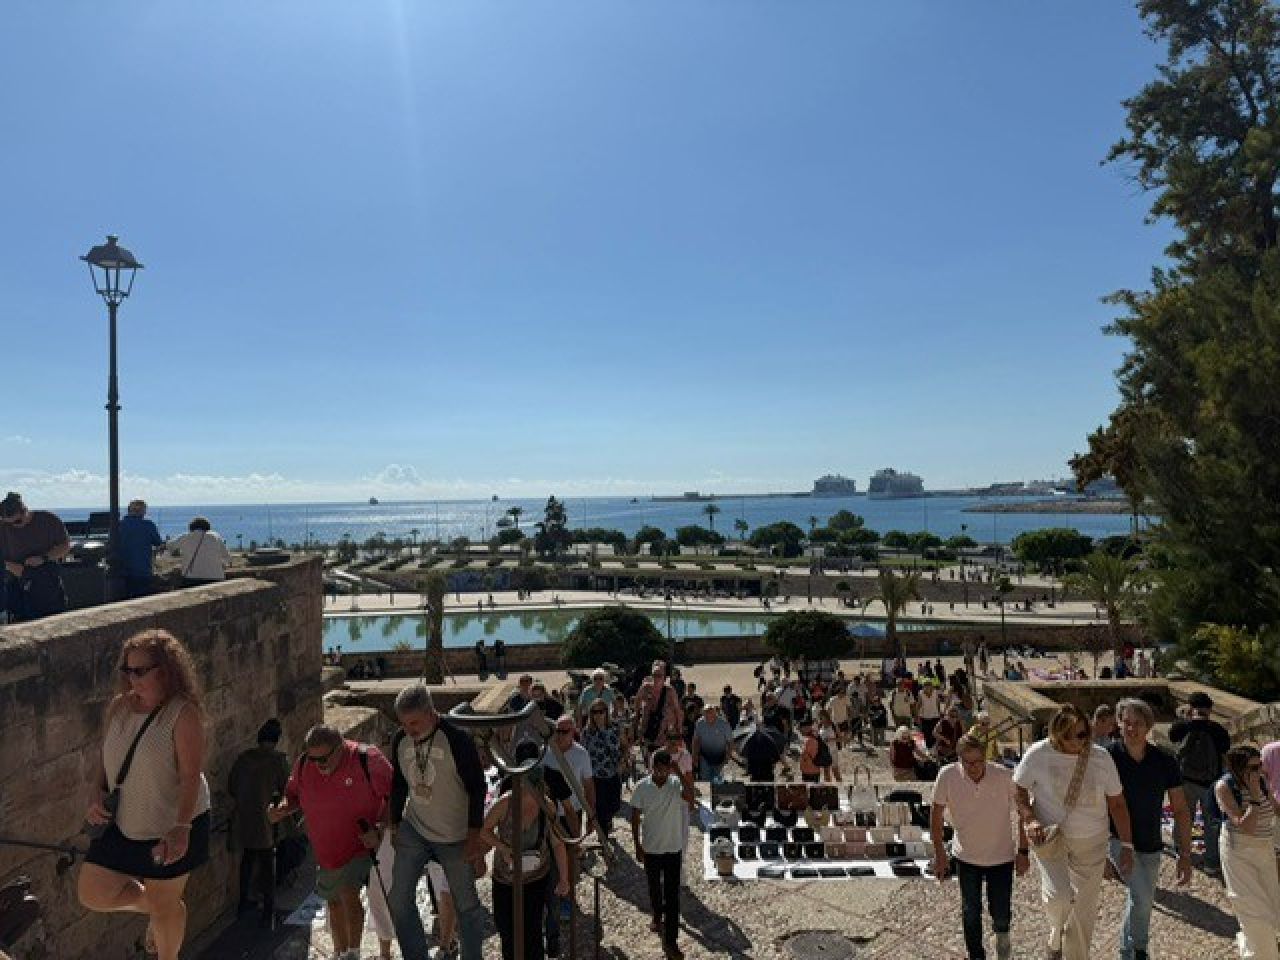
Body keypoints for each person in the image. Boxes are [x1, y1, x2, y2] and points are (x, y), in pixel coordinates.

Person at [77, 629, 212, 960]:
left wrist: (181, 828)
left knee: (165, 910)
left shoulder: (182, 714)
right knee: (92, 893)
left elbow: (190, 774)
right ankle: (155, 904)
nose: (131, 678)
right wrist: (95, 793)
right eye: (126, 670)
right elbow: (105, 761)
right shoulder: (119, 708)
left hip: (172, 823)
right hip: (126, 822)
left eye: (140, 670)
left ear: (165, 670)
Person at [1013, 704, 1134, 960]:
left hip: (1092, 842)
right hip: (1051, 838)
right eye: (1069, 736)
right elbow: (1019, 789)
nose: (1076, 742)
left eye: (1082, 734)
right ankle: (1055, 933)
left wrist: (1126, 845)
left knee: (1083, 913)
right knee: (1059, 898)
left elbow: (1117, 803)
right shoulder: (1038, 753)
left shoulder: (1100, 757)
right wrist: (1030, 819)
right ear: (1056, 735)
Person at [385, 683, 489, 960]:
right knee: (398, 898)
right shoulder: (400, 740)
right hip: (415, 828)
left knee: (466, 904)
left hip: (454, 834)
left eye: (415, 723)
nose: (410, 730)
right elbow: (398, 784)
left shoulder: (457, 740)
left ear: (431, 713)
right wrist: (394, 822)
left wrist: (473, 838)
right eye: (404, 724)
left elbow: (477, 788)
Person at [268, 725, 391, 960]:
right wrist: (283, 808)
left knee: (351, 895)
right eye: (314, 759)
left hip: (363, 846)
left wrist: (381, 828)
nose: (319, 764)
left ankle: (359, 952)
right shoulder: (305, 763)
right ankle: (341, 951)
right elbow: (293, 794)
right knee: (333, 902)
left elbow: (395, 792)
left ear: (341, 747)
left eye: (324, 758)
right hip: (327, 850)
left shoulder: (368, 759)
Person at [931, 734, 1031, 960]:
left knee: (1001, 913)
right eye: (967, 762)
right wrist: (939, 854)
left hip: (1001, 856)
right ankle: (976, 955)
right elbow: (936, 814)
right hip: (966, 856)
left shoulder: (1003, 776)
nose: (973, 767)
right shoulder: (947, 776)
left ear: (985, 758)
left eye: (977, 761)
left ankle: (1002, 940)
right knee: (970, 912)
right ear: (959, 760)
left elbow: (1023, 811)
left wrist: (1023, 851)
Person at [1107, 698, 1192, 960]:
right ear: (1119, 724)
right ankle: (1139, 950)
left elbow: (1180, 809)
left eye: (1138, 724)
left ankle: (1127, 951)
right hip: (1118, 840)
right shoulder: (1109, 757)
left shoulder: (1164, 761)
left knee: (1139, 899)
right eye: (1126, 723)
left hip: (1152, 843)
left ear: (1148, 727)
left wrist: (1185, 854)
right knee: (1143, 897)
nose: (1131, 729)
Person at [482, 759, 571, 960]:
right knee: (507, 932)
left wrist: (564, 878)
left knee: (532, 935)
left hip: (535, 879)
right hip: (506, 880)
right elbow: (484, 830)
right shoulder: (505, 803)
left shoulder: (546, 806)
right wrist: (503, 848)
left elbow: (557, 843)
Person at [1214, 746, 1279, 959]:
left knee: (1273, 910)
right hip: (1239, 854)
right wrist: (1253, 796)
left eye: (1261, 764)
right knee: (1255, 915)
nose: (1261, 770)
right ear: (1240, 768)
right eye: (1254, 766)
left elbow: (1276, 810)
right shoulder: (1224, 787)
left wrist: (1265, 790)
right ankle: (1257, 951)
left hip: (1264, 851)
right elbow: (1247, 826)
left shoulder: (1261, 781)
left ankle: (1247, 943)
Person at [631, 750, 695, 960]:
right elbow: (635, 816)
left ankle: (671, 941)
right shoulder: (642, 787)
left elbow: (691, 798)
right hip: (651, 848)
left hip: (673, 848)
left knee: (672, 896)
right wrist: (637, 846)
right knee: (654, 888)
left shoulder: (676, 784)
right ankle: (657, 915)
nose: (660, 773)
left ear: (669, 768)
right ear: (651, 768)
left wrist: (678, 771)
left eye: (664, 769)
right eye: (656, 769)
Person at [227, 718, 289, 928]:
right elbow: (286, 790)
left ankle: (243, 902)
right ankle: (268, 911)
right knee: (267, 864)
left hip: (243, 818)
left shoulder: (243, 759)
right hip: (265, 819)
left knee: (247, 859)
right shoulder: (277, 761)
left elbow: (232, 786)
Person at [1169, 691, 1231, 873]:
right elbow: (1225, 747)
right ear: (1209, 710)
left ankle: (1181, 850)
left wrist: (1187, 720)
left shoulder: (1183, 726)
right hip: (1209, 783)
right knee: (1211, 822)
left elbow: (1172, 737)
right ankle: (1211, 862)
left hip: (1185, 780)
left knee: (1183, 815)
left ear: (1191, 708)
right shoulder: (1217, 729)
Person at [0, 492, 70, 622]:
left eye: (17, 521)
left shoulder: (48, 520)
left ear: (25, 511)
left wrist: (44, 558)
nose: (13, 526)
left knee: (53, 622)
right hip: (16, 586)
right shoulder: (3, 527)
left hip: (46, 583)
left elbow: (65, 546)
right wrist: (8, 566)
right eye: (8, 523)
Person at [582, 698, 629, 836]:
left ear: (606, 712)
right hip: (595, 775)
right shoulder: (587, 732)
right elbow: (583, 752)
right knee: (601, 808)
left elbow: (625, 746)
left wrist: (623, 762)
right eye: (594, 712)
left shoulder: (615, 728)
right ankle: (603, 838)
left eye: (601, 711)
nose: (598, 715)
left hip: (613, 772)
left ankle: (607, 822)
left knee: (614, 805)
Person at [118, 499, 164, 599]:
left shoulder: (119, 525)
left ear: (129, 510)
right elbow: (158, 543)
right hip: (142, 570)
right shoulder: (148, 525)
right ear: (143, 511)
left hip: (121, 570)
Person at [169, 517, 232, 587]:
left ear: (191, 527)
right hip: (216, 577)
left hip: (192, 578)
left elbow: (169, 546)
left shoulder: (185, 537)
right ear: (208, 527)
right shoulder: (215, 537)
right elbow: (227, 557)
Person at [636, 663, 682, 758]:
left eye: (659, 676)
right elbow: (637, 701)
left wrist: (678, 729)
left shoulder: (669, 691)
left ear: (664, 677)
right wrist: (637, 717)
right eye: (654, 675)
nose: (656, 678)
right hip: (647, 731)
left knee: (662, 761)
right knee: (649, 762)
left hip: (663, 733)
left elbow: (677, 710)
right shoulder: (645, 688)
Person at [691, 704, 734, 784]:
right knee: (705, 781)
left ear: (715, 714)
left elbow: (730, 742)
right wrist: (694, 756)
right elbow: (696, 740)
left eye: (710, 714)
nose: (708, 717)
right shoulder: (700, 723)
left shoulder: (724, 724)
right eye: (706, 715)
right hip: (705, 758)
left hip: (720, 759)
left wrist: (728, 756)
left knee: (718, 782)